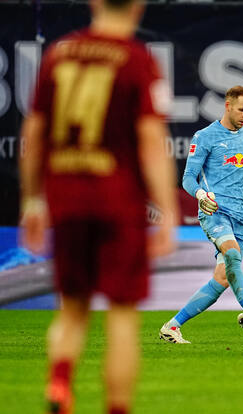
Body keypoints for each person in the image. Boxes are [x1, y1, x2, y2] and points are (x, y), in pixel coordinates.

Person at [19, 0, 179, 413]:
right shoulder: (137, 60)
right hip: (117, 202)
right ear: (139, 6)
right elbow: (149, 141)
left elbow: (34, 134)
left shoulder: (59, 53)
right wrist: (167, 209)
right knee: (122, 314)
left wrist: (33, 201)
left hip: (66, 200)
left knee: (72, 307)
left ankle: (59, 383)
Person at [159, 86, 243, 344]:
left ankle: (172, 327)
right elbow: (187, 179)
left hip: (242, 217)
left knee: (222, 278)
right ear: (227, 106)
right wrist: (201, 196)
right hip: (215, 212)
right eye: (241, 109)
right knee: (231, 254)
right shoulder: (205, 136)